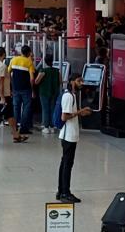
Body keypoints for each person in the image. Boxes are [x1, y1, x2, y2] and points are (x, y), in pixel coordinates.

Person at [57, 73, 91, 204]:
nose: (81, 83)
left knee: (65, 163)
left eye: (82, 81)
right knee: (67, 164)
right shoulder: (68, 96)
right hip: (68, 135)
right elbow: (64, 117)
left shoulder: (72, 96)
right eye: (78, 81)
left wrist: (80, 111)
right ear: (72, 82)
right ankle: (65, 192)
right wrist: (80, 112)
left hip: (71, 134)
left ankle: (61, 191)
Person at [9, 45, 37, 134]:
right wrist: (33, 89)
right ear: (29, 53)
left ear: (21, 52)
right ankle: (24, 128)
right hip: (26, 89)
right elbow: (32, 79)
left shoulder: (13, 60)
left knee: (16, 107)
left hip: (15, 88)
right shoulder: (29, 63)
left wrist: (12, 82)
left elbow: (8, 72)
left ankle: (15, 127)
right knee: (26, 107)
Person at [35, 54, 61, 134]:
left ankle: (46, 127)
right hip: (54, 92)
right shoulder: (57, 71)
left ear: (45, 62)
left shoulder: (43, 71)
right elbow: (60, 81)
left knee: (45, 109)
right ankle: (52, 126)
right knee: (52, 109)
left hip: (44, 92)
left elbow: (36, 81)